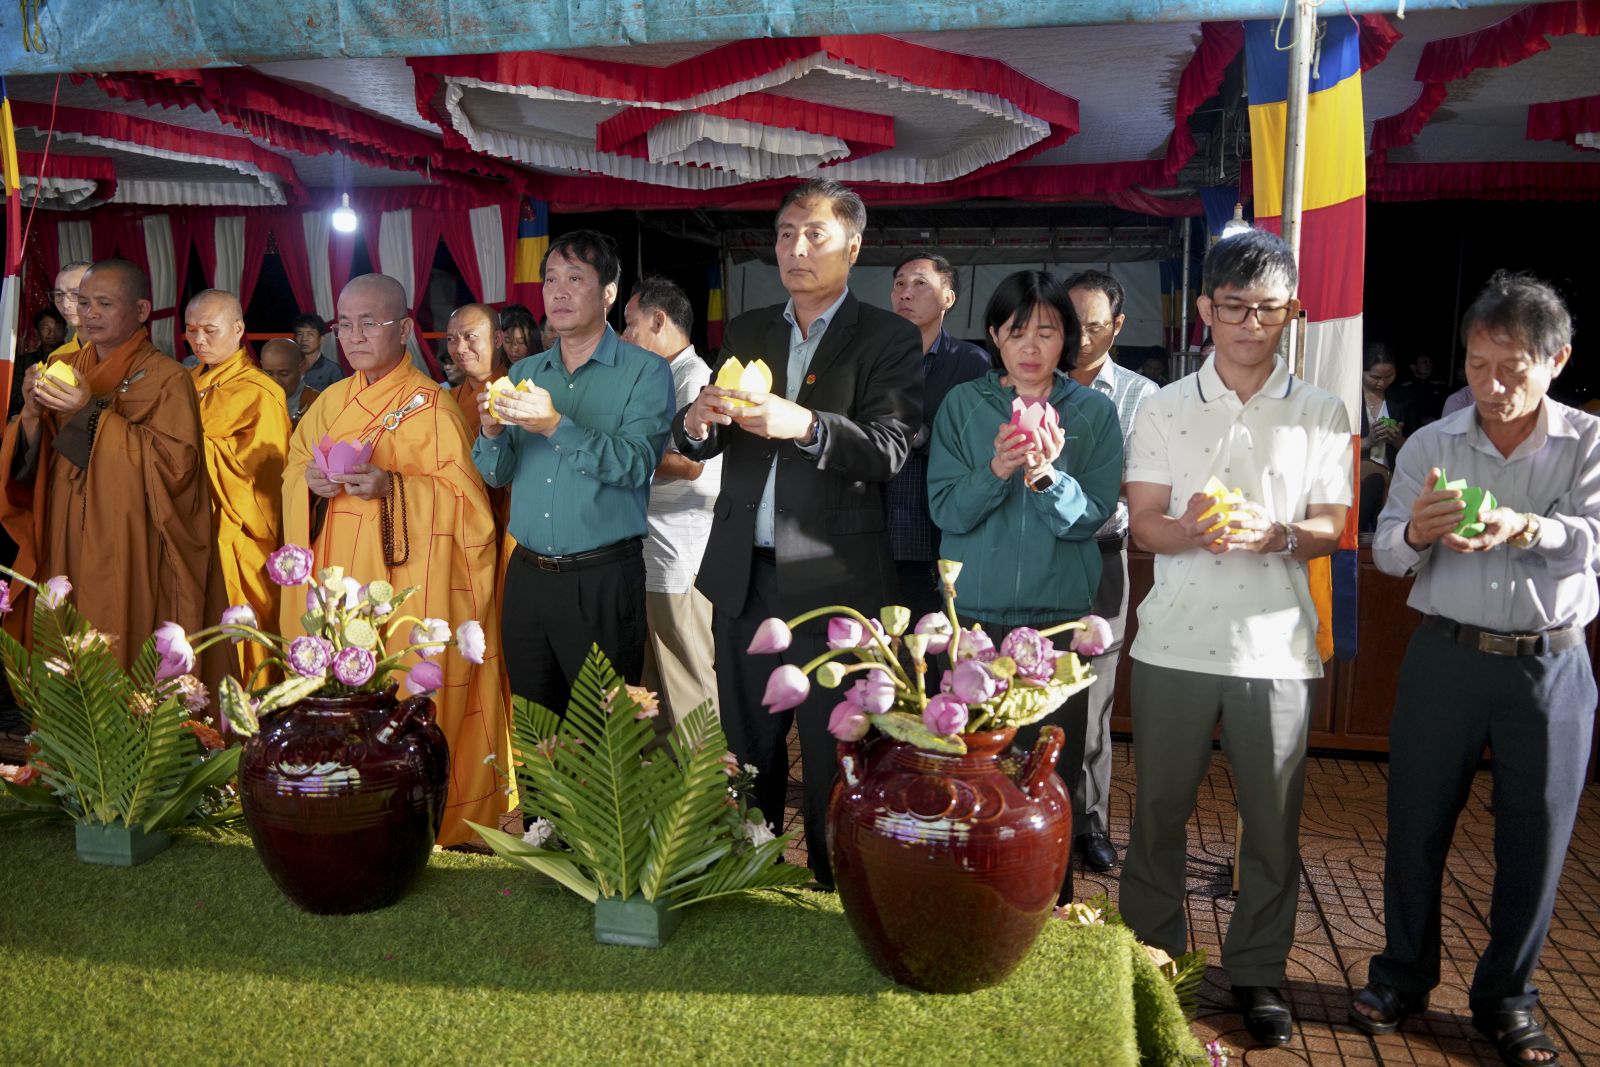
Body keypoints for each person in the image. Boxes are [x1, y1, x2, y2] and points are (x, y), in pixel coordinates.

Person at [1350, 273, 1596, 1067]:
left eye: (1511, 369)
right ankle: (1401, 975)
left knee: (1538, 838)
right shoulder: (1431, 443)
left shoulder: (1589, 444)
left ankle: (1507, 997)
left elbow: (1593, 539)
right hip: (1446, 657)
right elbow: (1386, 551)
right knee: (1415, 824)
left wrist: (1526, 524)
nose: (1489, 387)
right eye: (1476, 364)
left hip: (1549, 667)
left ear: (1555, 360)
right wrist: (1417, 533)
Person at [1118, 229, 1352, 1048]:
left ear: (1294, 311)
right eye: (1233, 307)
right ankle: (1155, 960)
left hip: (1279, 651)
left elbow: (1332, 524)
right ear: (1205, 312)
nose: (1251, 324)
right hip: (1174, 645)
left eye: (1268, 308)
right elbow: (1144, 522)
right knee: (1158, 813)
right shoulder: (1164, 405)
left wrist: (1277, 534)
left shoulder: (1321, 408)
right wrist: (1184, 529)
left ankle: (1258, 970)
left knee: (1274, 821)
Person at [674, 179, 923, 888]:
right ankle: (746, 869)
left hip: (833, 585)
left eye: (814, 233)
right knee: (748, 748)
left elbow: (890, 446)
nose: (796, 248)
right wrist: (696, 423)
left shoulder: (888, 336)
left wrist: (806, 425)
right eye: (785, 234)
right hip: (743, 577)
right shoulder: (750, 329)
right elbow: (707, 441)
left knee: (833, 750)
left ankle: (831, 881)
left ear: (853, 244)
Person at [283, 273, 510, 848]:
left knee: (406, 688)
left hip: (408, 585)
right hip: (338, 577)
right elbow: (292, 472)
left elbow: (470, 511)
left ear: (405, 329)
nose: (354, 336)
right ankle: (346, 793)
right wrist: (308, 484)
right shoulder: (330, 401)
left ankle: (417, 803)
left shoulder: (431, 407)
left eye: (371, 323)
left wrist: (394, 487)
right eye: (346, 324)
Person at [928, 270, 1122, 901]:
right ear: (994, 336)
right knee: (973, 766)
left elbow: (1091, 518)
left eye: (1047, 329)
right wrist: (997, 468)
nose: (1032, 345)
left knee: (1047, 776)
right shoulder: (963, 405)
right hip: (974, 620)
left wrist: (1044, 476)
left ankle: (1050, 900)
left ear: (1067, 338)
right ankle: (971, 901)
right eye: (1018, 331)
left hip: (1056, 622)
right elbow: (947, 512)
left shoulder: (1092, 412)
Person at [472, 232, 673, 720]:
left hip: (601, 579)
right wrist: (491, 431)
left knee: (604, 739)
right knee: (536, 733)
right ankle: (541, 803)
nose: (557, 292)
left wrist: (556, 425)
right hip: (527, 578)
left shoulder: (645, 372)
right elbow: (497, 475)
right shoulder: (527, 372)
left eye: (575, 279)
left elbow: (635, 465)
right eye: (550, 280)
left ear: (609, 293)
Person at [0, 259, 213, 668]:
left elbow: (176, 469)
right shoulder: (68, 367)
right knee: (65, 641)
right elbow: (34, 463)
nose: (90, 314)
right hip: (64, 529)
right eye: (84, 303)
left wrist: (89, 409)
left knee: (119, 638)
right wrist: (29, 414)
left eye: (104, 303)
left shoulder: (168, 378)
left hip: (128, 535)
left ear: (141, 311)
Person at [1063, 268, 1159, 874]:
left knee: (1095, 697)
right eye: (1068, 323)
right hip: (1034, 558)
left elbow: (1134, 489)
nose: (1078, 337)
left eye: (1093, 327)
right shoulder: (1029, 382)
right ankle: (1031, 813)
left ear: (1117, 327)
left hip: (1100, 559)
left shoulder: (1142, 396)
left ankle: (1088, 821)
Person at [620, 276, 722, 734]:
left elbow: (691, 464)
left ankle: (707, 798)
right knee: (656, 693)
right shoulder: (665, 375)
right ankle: (666, 800)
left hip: (678, 557)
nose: (624, 338)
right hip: (653, 552)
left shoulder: (695, 378)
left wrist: (623, 453)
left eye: (629, 324)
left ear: (658, 320)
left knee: (688, 687)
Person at [185, 289, 292, 680]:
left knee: (241, 627)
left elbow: (264, 481)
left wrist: (190, 449)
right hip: (190, 529)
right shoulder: (185, 380)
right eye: (191, 330)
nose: (199, 340)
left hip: (238, 534)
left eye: (210, 330)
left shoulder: (262, 393)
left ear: (238, 329)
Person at [886, 252, 990, 619]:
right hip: (875, 533)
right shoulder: (874, 358)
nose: (905, 293)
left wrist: (919, 436)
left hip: (937, 533)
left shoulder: (971, 364)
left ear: (948, 298)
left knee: (935, 655)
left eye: (920, 284)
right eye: (899, 284)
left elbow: (979, 447)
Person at [1358, 343, 1414, 532]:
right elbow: (1333, 446)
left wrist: (1397, 440)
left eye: (1388, 376)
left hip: (1391, 485)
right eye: (1375, 377)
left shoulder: (1402, 400)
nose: (1381, 383)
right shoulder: (1349, 398)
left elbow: (1418, 447)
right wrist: (1367, 441)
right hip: (1356, 482)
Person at [10, 308, 66, 418]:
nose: (52, 333)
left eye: (57, 328)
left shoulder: (74, 358)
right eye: (46, 327)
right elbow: (15, 395)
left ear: (65, 332)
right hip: (31, 417)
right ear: (36, 331)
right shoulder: (24, 361)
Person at [260, 338, 320, 425]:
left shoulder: (317, 403)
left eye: (284, 374)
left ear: (302, 368)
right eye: (269, 374)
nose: (275, 381)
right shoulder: (254, 402)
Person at [46, 261, 90, 362]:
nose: (65, 304)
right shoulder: (57, 358)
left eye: (76, 294)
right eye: (59, 294)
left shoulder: (125, 351)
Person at [1392, 352, 1449, 427]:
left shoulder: (1441, 386)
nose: (1430, 365)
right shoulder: (1404, 388)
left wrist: (1435, 417)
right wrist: (1418, 420)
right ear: (1413, 367)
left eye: (1430, 362)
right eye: (1425, 362)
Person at [292, 313, 344, 392]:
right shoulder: (289, 367)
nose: (304, 339)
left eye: (310, 334)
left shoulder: (332, 370)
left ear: (321, 339)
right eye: (300, 334)